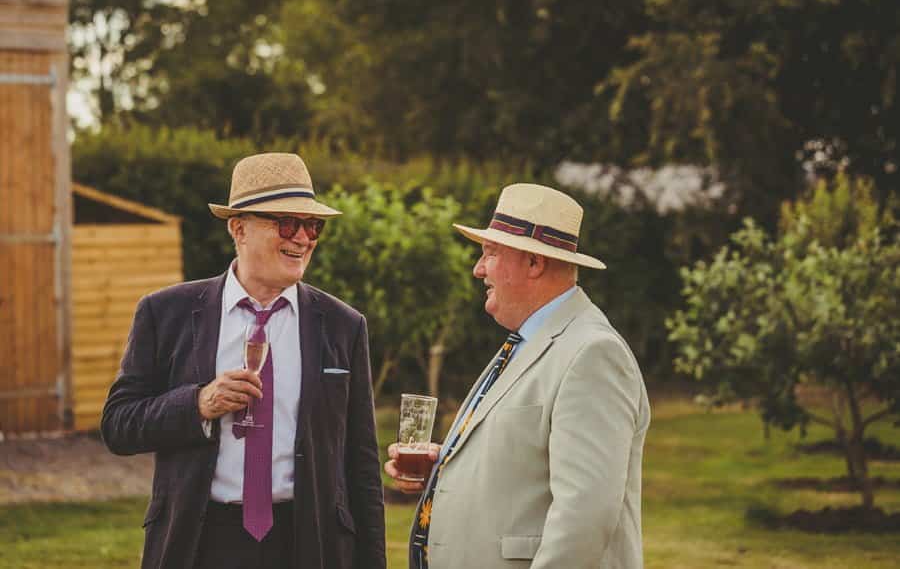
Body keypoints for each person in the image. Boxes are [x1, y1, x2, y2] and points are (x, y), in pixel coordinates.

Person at [102, 152, 385, 569]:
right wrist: (199, 403)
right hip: (200, 541)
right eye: (286, 223)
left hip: (309, 541)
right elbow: (118, 425)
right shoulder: (165, 312)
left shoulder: (344, 325)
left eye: (313, 226)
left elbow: (362, 464)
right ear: (239, 228)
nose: (303, 238)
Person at [386, 183, 651, 569]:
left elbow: (584, 518)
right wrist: (446, 467)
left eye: (490, 253)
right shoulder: (530, 340)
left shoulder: (593, 353)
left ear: (533, 263)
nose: (478, 269)